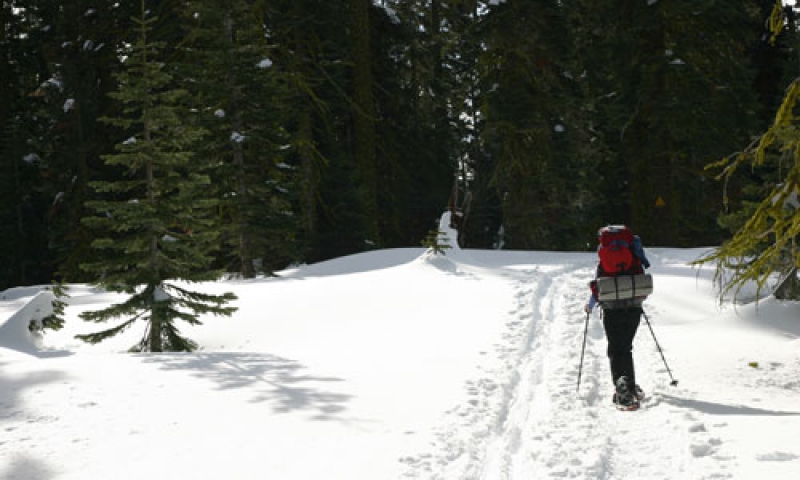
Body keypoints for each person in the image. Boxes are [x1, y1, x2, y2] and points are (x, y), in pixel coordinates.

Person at [584, 225, 651, 409]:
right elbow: (641, 282)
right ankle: (630, 386)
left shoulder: (604, 258)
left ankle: (623, 391)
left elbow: (598, 287)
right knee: (626, 347)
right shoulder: (634, 255)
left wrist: (590, 305)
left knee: (615, 349)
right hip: (633, 309)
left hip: (611, 309)